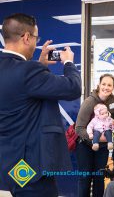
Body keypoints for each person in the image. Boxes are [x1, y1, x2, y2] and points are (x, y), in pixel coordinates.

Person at [0, 13, 81, 196]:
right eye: (36, 37)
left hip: (9, 160)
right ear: (26, 37)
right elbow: (73, 88)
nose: (37, 42)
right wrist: (68, 62)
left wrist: (40, 66)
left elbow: (22, 90)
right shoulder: (29, 71)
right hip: (29, 163)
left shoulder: (24, 70)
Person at [75, 73, 114, 197]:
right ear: (99, 85)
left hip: (103, 148)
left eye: (109, 85)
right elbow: (78, 128)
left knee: (99, 178)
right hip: (85, 145)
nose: (106, 87)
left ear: (113, 87)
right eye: (103, 84)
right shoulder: (89, 102)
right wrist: (97, 138)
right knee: (85, 179)